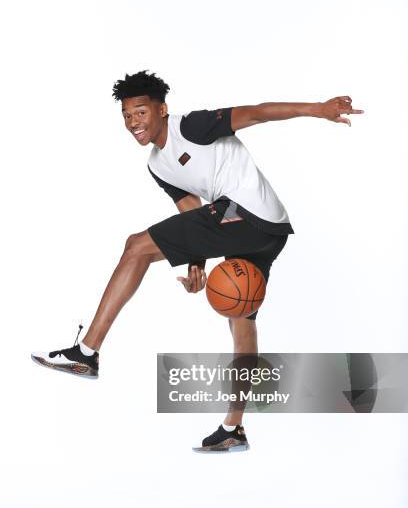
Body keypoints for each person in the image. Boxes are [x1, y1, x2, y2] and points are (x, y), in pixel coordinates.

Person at [31, 70, 364, 452]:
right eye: (126, 116)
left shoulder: (193, 126)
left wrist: (318, 109)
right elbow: (190, 214)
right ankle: (234, 429)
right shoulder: (158, 165)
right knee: (241, 323)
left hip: (249, 214)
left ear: (161, 109)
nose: (133, 123)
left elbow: (256, 113)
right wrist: (196, 268)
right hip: (262, 232)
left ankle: (86, 353)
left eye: (140, 112)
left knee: (136, 246)